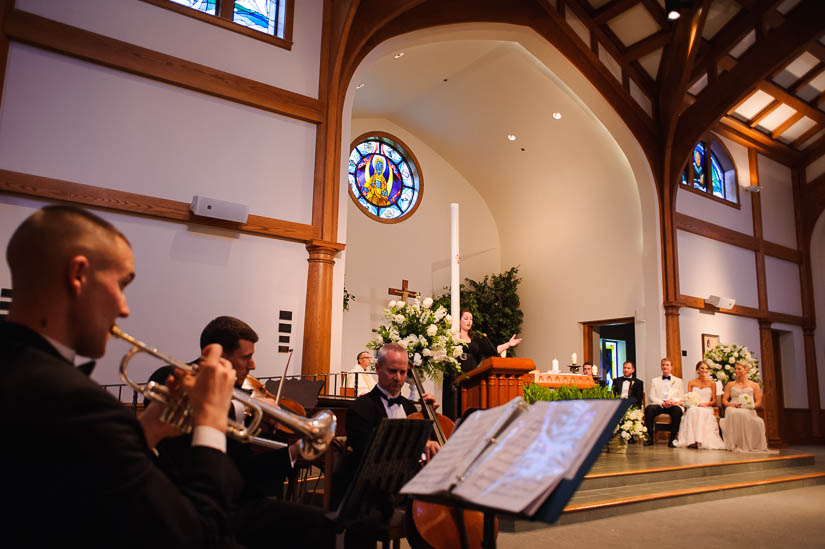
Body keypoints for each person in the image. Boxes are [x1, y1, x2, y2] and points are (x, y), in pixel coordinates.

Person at [1, 206, 242, 547]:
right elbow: (196, 535)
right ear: (79, 274)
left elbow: (80, 490)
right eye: (121, 284)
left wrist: (151, 428)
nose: (124, 308)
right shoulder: (74, 401)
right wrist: (212, 421)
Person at [150, 316, 334, 548]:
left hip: (237, 498)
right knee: (312, 525)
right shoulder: (173, 378)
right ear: (216, 354)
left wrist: (293, 452)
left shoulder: (240, 398)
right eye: (246, 357)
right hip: (193, 504)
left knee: (320, 521)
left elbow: (244, 468)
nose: (253, 365)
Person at [335, 343, 441, 506]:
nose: (398, 378)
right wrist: (417, 444)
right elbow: (370, 454)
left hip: (408, 487)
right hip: (372, 493)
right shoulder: (360, 408)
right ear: (377, 368)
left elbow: (428, 449)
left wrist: (430, 418)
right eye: (392, 371)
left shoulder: (409, 407)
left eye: (403, 372)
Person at [720, 362, 772, 452]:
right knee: (733, 412)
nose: (736, 371)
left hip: (748, 409)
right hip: (733, 407)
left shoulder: (754, 385)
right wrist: (731, 405)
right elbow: (724, 400)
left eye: (739, 369)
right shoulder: (730, 384)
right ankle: (735, 443)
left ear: (746, 370)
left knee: (744, 413)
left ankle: (746, 444)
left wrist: (751, 406)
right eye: (735, 369)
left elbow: (758, 402)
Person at [672, 361, 725, 449]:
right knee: (693, 411)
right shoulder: (692, 382)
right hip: (694, 406)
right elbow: (688, 396)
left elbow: (714, 400)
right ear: (697, 370)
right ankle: (691, 441)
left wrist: (706, 404)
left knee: (700, 411)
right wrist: (692, 403)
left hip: (706, 406)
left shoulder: (712, 383)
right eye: (702, 368)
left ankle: (699, 440)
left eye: (706, 369)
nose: (704, 370)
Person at [644, 358, 684, 447]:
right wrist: (662, 403)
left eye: (667, 365)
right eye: (663, 365)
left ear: (671, 367)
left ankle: (672, 438)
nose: (664, 367)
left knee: (677, 411)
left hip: (672, 404)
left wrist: (672, 401)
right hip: (659, 404)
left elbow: (681, 396)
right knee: (649, 409)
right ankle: (650, 437)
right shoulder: (655, 380)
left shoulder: (678, 381)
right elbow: (652, 396)